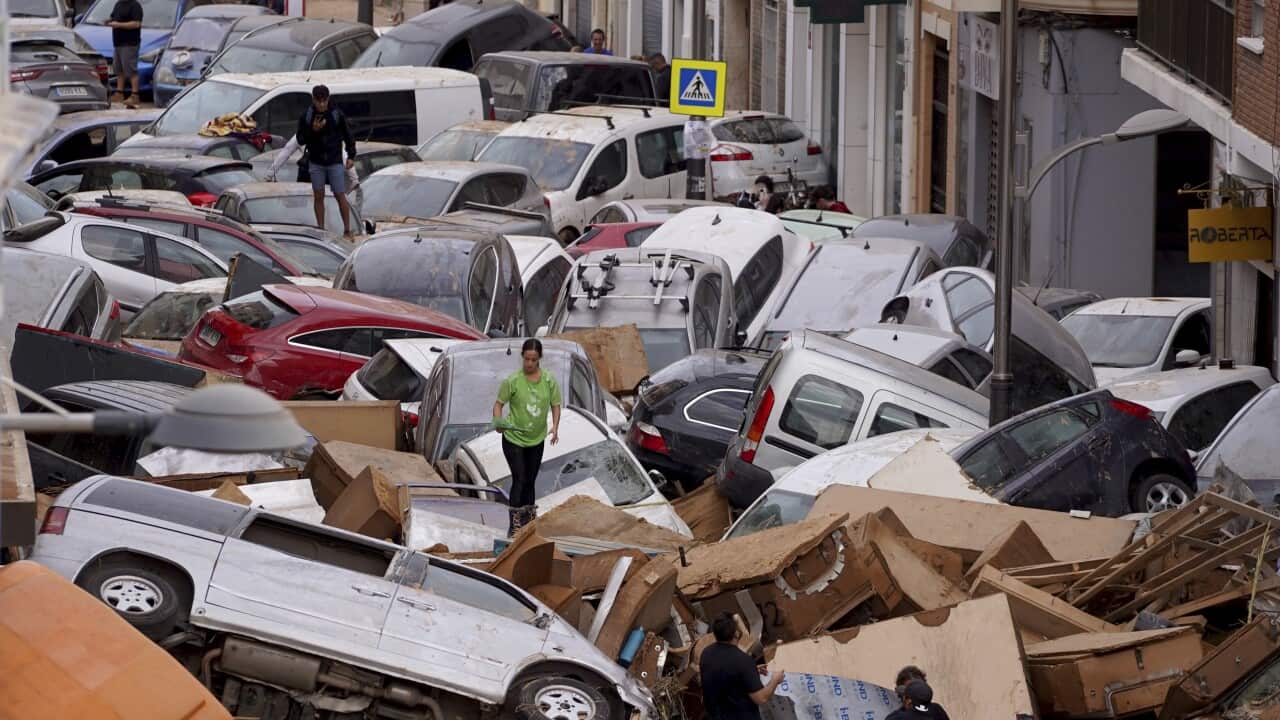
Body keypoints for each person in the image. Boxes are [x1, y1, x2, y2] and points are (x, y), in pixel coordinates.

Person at [492, 339, 561, 533]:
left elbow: (556, 405)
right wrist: (499, 422)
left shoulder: (548, 380)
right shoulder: (512, 381)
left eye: (533, 360)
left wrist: (555, 427)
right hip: (514, 438)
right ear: (522, 357)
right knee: (520, 479)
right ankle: (514, 522)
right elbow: (498, 404)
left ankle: (529, 520)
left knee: (531, 480)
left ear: (539, 359)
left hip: (536, 439)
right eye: (526, 359)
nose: (529, 363)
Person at [295, 85, 357, 237]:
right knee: (318, 194)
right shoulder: (307, 115)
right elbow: (300, 139)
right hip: (316, 161)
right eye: (318, 101)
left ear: (328, 99)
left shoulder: (336, 114)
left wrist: (351, 155)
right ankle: (321, 229)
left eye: (324, 101)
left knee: (339, 194)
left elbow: (348, 134)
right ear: (313, 99)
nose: (321, 104)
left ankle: (347, 230)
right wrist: (313, 130)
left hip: (334, 159)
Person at [700, 613, 783, 720]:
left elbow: (724, 676)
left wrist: (752, 672)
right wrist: (775, 680)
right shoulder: (743, 661)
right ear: (736, 634)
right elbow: (761, 698)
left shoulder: (706, 653)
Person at [106, 0, 143, 108]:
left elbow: (136, 23)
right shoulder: (118, 4)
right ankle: (119, 93)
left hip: (130, 43)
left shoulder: (135, 5)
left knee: (131, 69)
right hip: (117, 43)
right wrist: (109, 21)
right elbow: (114, 18)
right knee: (119, 69)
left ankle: (135, 95)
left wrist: (118, 24)